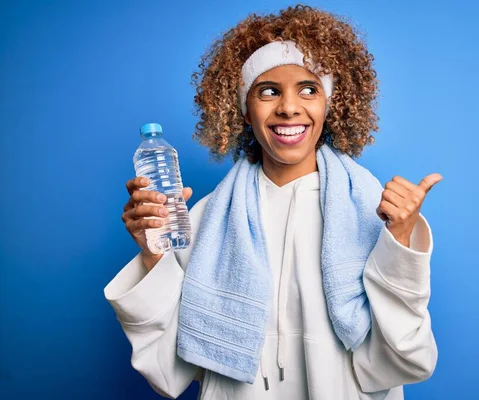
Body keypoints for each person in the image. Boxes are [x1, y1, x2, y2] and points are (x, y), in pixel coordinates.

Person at [105, 4, 442, 399]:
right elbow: (172, 368)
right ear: (245, 110)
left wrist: (400, 240)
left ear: (329, 105)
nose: (288, 106)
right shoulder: (207, 218)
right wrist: (152, 255)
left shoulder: (372, 208)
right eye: (268, 91)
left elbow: (408, 356)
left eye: (308, 89)